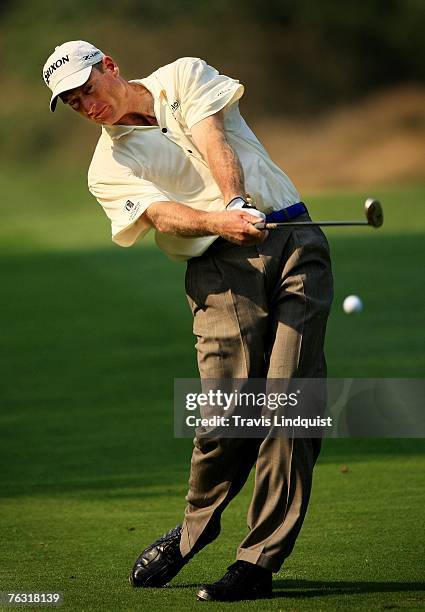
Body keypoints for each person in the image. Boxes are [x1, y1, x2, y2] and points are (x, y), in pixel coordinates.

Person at [42, 40, 334, 602]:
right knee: (227, 414)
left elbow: (211, 135)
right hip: (216, 271)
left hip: (293, 239)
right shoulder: (108, 165)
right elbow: (159, 214)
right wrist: (220, 220)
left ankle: (258, 562)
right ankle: (195, 528)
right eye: (72, 102)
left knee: (289, 403)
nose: (85, 104)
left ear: (110, 67)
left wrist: (236, 200)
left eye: (86, 89)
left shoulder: (183, 75)